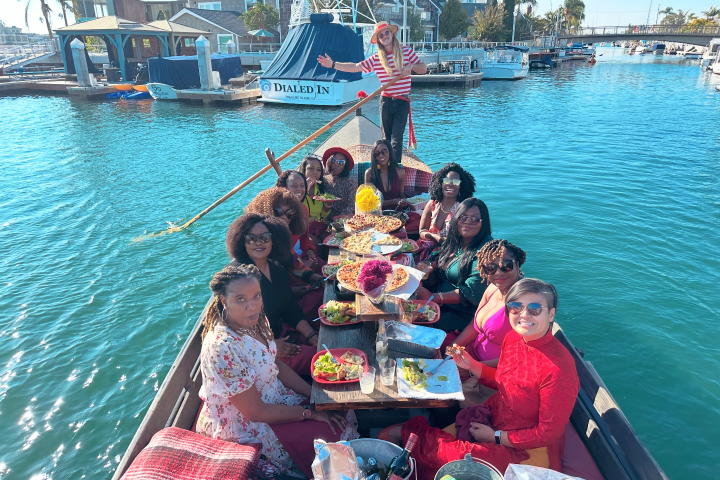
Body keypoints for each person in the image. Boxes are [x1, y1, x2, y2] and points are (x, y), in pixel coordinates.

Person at [384, 278, 579, 477]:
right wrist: (472, 366)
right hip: (494, 419)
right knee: (422, 444)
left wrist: (496, 436)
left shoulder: (559, 369)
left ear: (551, 313)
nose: (524, 314)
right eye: (515, 307)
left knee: (430, 448)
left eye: (535, 308)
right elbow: (507, 382)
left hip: (526, 450)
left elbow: (547, 434)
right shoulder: (513, 339)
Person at [196, 264, 358, 478]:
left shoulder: (256, 322)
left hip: (274, 398)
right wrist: (312, 413)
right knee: (330, 434)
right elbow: (255, 412)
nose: (252, 306)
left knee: (341, 412)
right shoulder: (222, 346)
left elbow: (276, 366)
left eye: (256, 296)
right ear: (224, 300)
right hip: (246, 424)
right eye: (241, 299)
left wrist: (318, 397)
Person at [318, 22, 427, 164]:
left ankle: (395, 168)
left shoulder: (406, 51)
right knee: (386, 139)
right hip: (386, 101)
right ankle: (385, 166)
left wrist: (412, 66)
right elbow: (356, 67)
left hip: (402, 102)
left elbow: (423, 68)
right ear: (379, 40)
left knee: (396, 139)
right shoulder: (376, 59)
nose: (384, 36)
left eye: (386, 33)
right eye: (381, 35)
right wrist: (333, 64)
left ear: (392, 34)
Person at [225, 213, 319, 375]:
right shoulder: (237, 277)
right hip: (258, 350)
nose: (258, 243)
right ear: (242, 241)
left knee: (323, 337)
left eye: (265, 237)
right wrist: (270, 344)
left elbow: (290, 308)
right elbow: (231, 327)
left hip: (280, 333)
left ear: (274, 239)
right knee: (321, 358)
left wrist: (311, 335)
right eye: (251, 238)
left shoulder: (276, 268)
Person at [444, 239, 527, 405]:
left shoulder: (523, 303)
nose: (499, 272)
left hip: (494, 378)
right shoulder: (492, 288)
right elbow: (474, 326)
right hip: (473, 360)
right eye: (491, 267)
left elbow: (520, 357)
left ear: (518, 264)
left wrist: (473, 367)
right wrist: (451, 350)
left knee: (453, 398)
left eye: (506, 265)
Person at [245, 187, 324, 320]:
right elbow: (259, 293)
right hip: (269, 309)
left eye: (290, 213)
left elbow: (295, 265)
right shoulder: (255, 246)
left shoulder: (283, 238)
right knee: (318, 301)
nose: (284, 217)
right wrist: (290, 293)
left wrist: (319, 279)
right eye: (278, 212)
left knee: (323, 292)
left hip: (287, 289)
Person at [414, 198, 492, 332]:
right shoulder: (455, 241)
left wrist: (433, 297)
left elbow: (470, 292)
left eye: (475, 219)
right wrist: (430, 273)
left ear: (483, 223)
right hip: (436, 301)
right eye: (463, 217)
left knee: (409, 326)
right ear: (456, 219)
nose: (468, 222)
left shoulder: (486, 252)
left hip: (459, 314)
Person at [418, 163, 476, 245]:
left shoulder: (463, 209)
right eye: (447, 180)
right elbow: (422, 230)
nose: (451, 184)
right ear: (440, 183)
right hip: (425, 248)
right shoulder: (432, 204)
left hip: (451, 253)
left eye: (456, 182)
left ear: (461, 186)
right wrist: (433, 237)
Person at [298, 154, 332, 241]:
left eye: (318, 170)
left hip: (317, 227)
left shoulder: (320, 188)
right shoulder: (297, 189)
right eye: (311, 168)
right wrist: (305, 189)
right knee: (317, 244)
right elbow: (295, 208)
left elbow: (322, 216)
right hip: (301, 229)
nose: (315, 172)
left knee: (331, 240)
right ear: (304, 170)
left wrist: (328, 205)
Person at [322, 146, 357, 218]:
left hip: (344, 219)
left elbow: (352, 205)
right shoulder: (323, 180)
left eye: (341, 162)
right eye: (334, 160)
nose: (336, 164)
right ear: (329, 161)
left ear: (345, 166)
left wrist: (339, 217)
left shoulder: (351, 182)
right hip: (324, 217)